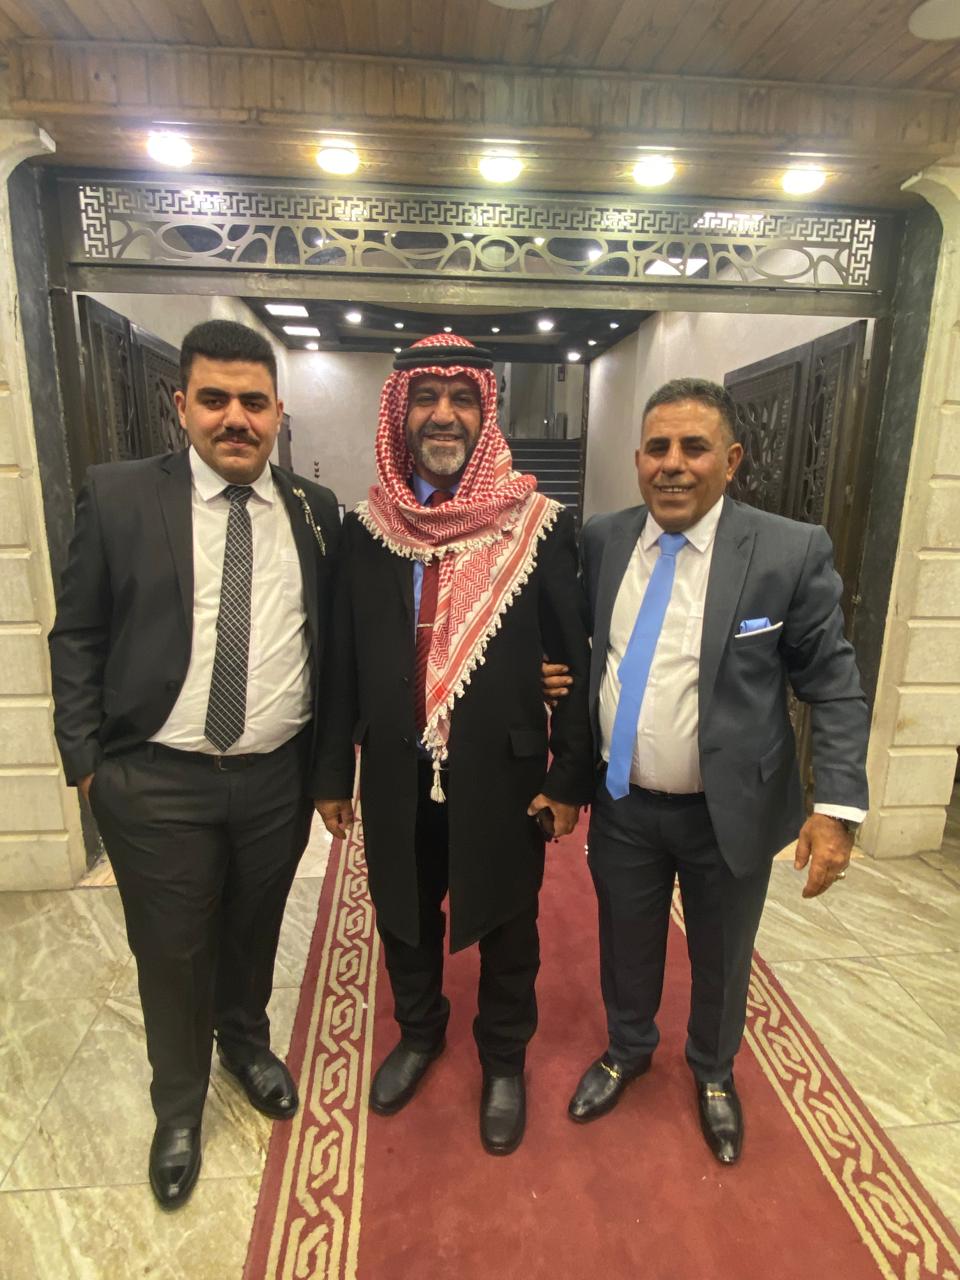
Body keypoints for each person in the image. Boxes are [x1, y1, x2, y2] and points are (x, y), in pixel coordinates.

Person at [48, 320, 341, 1209]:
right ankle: (177, 1107)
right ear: (181, 405)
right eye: (214, 399)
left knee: (254, 930)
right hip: (156, 779)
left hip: (275, 778)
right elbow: (78, 634)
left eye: (253, 402)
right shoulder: (120, 497)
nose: (235, 419)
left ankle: (244, 1047)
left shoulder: (315, 511)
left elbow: (332, 646)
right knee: (172, 952)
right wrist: (87, 764)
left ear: (279, 411)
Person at [551, 377, 868, 1165]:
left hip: (727, 808)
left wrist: (837, 807)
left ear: (730, 460)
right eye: (657, 447)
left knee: (723, 954)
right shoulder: (604, 540)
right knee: (626, 941)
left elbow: (832, 682)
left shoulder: (788, 551)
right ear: (637, 459)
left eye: (694, 448)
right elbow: (578, 644)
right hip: (624, 802)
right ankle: (627, 1049)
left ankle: (715, 1072)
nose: (673, 464)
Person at [314, 333, 592, 1156]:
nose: (444, 414)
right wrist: (330, 773)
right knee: (403, 916)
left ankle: (503, 1060)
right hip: (394, 771)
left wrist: (569, 778)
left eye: (461, 398)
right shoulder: (367, 530)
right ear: (400, 416)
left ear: (485, 410)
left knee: (509, 926)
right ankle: (420, 1033)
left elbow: (573, 663)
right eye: (427, 398)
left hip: (504, 776)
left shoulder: (537, 526)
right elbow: (341, 661)